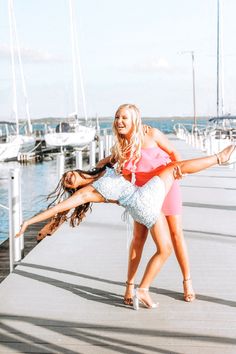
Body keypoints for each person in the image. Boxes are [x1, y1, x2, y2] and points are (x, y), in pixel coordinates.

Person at [16, 144, 236, 310]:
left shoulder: (101, 168)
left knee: (165, 248)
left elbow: (120, 154)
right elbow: (57, 209)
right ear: (74, 189)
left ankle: (143, 289)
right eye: (68, 182)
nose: (69, 177)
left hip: (142, 197)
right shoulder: (86, 193)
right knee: (173, 169)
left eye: (68, 175)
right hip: (141, 201)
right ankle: (219, 158)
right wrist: (29, 222)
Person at [97, 104, 194, 304]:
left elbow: (174, 153)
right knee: (138, 238)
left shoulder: (152, 134)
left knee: (176, 233)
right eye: (117, 117)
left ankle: (187, 281)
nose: (119, 121)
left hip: (167, 188)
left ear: (135, 119)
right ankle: (130, 286)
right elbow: (107, 163)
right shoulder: (122, 145)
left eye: (124, 117)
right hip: (144, 196)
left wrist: (179, 173)